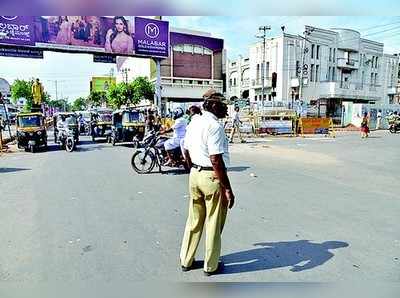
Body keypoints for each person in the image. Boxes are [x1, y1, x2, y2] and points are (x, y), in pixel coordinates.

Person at [180, 89, 235, 276]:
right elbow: (216, 160)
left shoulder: (194, 122)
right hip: (211, 177)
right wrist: (227, 188)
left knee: (194, 220)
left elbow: (185, 150)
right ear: (212, 105)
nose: (225, 109)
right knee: (213, 221)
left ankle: (186, 260)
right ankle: (211, 266)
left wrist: (192, 170)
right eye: (222, 105)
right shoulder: (215, 126)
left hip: (195, 174)